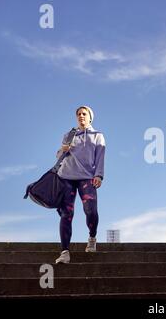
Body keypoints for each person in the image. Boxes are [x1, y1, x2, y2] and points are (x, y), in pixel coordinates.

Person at [54, 106, 106, 264]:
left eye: (84, 114)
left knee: (91, 209)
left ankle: (92, 237)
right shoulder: (69, 135)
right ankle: (65, 252)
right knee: (66, 214)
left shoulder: (98, 135)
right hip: (66, 176)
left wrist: (99, 175)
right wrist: (62, 149)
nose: (81, 116)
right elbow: (58, 156)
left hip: (87, 177)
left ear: (90, 117)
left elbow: (100, 156)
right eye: (78, 114)